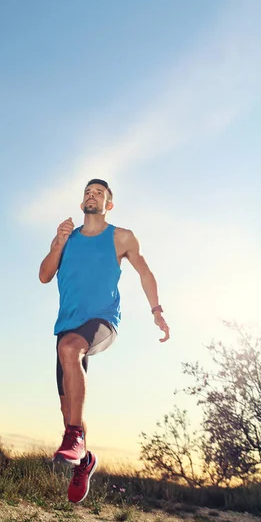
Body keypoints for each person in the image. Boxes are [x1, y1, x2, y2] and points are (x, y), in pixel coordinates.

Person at [39, 179, 170, 504]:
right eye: (87, 192)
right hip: (67, 326)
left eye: (99, 193)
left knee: (70, 348)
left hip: (103, 322)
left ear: (108, 204)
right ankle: (84, 461)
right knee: (67, 405)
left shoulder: (120, 237)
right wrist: (57, 243)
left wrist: (156, 311)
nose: (91, 196)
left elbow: (144, 272)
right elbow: (43, 275)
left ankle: (74, 437)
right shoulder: (68, 239)